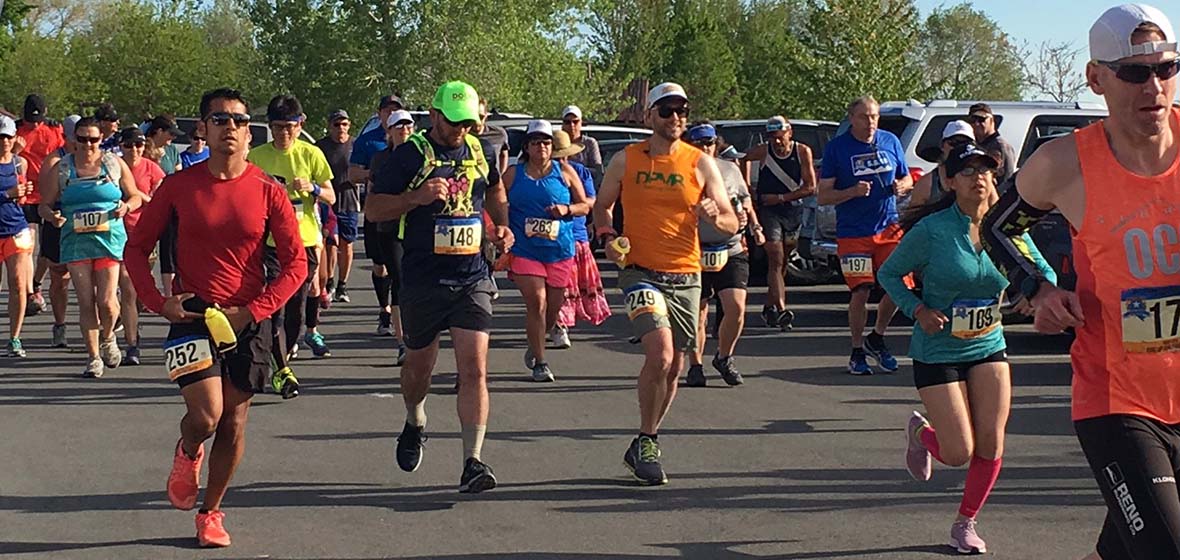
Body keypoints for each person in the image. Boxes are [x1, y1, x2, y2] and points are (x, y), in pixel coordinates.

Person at [979, 5, 1180, 559]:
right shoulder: (1064, 164)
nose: (1154, 87)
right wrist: (1038, 288)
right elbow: (999, 229)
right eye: (1135, 73)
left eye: (1166, 69)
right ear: (1096, 78)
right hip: (1119, 402)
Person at [125, 87, 307, 548]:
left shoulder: (268, 190)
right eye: (220, 119)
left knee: (235, 423)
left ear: (250, 133)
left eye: (240, 121)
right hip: (193, 314)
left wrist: (255, 311)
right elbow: (137, 248)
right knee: (207, 416)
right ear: (202, 129)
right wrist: (156, 301)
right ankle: (188, 450)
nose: (231, 128)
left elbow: (296, 264)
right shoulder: (179, 186)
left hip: (247, 319)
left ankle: (211, 512)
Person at [881, 143, 1056, 555]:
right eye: (968, 171)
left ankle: (965, 522)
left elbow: (1043, 271)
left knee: (992, 443)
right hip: (937, 349)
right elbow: (889, 273)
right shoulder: (933, 230)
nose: (979, 177)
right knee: (959, 452)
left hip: (988, 343)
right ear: (950, 181)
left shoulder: (1006, 230)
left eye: (986, 170)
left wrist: (1034, 294)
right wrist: (917, 308)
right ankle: (922, 435)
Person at [366, 80, 511, 493]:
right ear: (433, 115)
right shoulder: (410, 154)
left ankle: (473, 461)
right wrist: (415, 198)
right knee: (419, 369)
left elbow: (495, 189)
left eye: (467, 123)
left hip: (472, 277)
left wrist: (501, 226)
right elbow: (374, 208)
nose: (460, 131)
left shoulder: (480, 150)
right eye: (453, 123)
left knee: (475, 368)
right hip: (424, 278)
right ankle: (415, 420)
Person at [592, 82, 739, 485]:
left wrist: (714, 214)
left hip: (686, 274)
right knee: (659, 353)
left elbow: (731, 221)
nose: (676, 117)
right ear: (649, 116)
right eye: (667, 110)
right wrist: (607, 238)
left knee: (674, 366)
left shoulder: (700, 163)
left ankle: (646, 438)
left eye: (682, 110)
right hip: (639, 270)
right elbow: (602, 207)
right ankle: (646, 438)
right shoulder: (626, 160)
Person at [817, 96, 914, 375]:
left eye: (874, 116)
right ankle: (857, 350)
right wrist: (851, 192)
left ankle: (877, 337)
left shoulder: (890, 141)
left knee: (900, 287)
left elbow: (907, 178)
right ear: (851, 118)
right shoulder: (837, 149)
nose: (871, 122)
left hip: (889, 227)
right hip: (853, 233)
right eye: (864, 117)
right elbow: (823, 195)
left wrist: (901, 186)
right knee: (861, 291)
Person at [39, 117, 142, 378]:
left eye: (93, 139)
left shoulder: (113, 163)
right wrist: (53, 217)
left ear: (101, 140)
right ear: (74, 140)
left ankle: (108, 337)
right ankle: (93, 357)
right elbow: (44, 204)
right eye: (82, 139)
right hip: (76, 240)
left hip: (108, 239)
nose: (88, 145)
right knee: (86, 301)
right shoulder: (62, 168)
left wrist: (125, 207)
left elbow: (136, 195)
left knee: (107, 302)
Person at [247, 94, 336, 374]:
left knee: (295, 310)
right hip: (270, 243)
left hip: (304, 241)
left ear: (300, 125)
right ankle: (279, 364)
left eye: (290, 127)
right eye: (277, 127)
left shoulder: (311, 154)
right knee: (275, 306)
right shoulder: (256, 157)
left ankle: (290, 343)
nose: (284, 133)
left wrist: (313, 189)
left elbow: (332, 197)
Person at [504, 120, 589, 382]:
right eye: (536, 142)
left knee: (552, 309)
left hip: (559, 250)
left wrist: (568, 210)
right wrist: (500, 228)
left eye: (546, 142)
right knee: (537, 303)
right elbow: (495, 201)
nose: (542, 146)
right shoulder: (513, 174)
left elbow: (585, 205)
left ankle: (538, 340)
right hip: (525, 250)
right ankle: (541, 362)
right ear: (527, 147)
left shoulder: (564, 172)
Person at [683, 122, 764, 387]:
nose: (705, 147)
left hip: (730, 247)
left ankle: (724, 356)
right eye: (699, 143)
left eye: (709, 142)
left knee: (736, 307)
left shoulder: (730, 169)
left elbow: (744, 198)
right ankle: (695, 364)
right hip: (695, 250)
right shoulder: (681, 172)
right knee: (699, 312)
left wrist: (749, 221)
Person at [742, 115, 816, 331]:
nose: (776, 141)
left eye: (780, 136)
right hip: (768, 210)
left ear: (789, 132)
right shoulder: (763, 151)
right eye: (772, 137)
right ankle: (782, 309)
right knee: (775, 258)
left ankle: (770, 306)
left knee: (784, 262)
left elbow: (810, 187)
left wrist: (782, 198)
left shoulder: (802, 151)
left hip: (792, 209)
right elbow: (744, 158)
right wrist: (748, 188)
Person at [551, 129, 610, 345]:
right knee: (560, 285)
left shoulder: (579, 172)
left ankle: (560, 322)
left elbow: (591, 201)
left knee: (573, 284)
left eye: (563, 155)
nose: (561, 159)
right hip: (548, 237)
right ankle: (559, 325)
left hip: (576, 235)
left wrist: (569, 208)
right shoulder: (539, 173)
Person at [366, 109, 415, 363]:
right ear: (390, 131)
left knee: (417, 281)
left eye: (408, 126)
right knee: (400, 279)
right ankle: (402, 341)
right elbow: (374, 195)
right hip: (389, 227)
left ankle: (417, 335)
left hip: (417, 227)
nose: (404, 131)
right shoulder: (381, 159)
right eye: (399, 127)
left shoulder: (422, 156)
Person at [117, 127, 166, 366]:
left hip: (144, 234)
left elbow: (161, 199)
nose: (134, 150)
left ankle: (130, 322)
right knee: (127, 289)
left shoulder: (151, 168)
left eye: (138, 145)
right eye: (129, 145)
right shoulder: (113, 165)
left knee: (137, 291)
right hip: (116, 233)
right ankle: (132, 344)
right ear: (121, 146)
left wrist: (142, 198)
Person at [14, 94, 64, 318]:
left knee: (47, 252)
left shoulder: (54, 130)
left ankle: (36, 282)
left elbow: (65, 154)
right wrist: (15, 150)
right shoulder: (15, 131)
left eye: (37, 120)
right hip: (27, 196)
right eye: (29, 120)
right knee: (29, 245)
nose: (33, 124)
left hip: (51, 194)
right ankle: (30, 294)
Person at [35, 115, 80, 349]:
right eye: (74, 139)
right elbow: (45, 198)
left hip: (86, 224)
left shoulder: (95, 159)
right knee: (60, 279)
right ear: (65, 138)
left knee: (94, 277)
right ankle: (60, 325)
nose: (79, 144)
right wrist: (54, 216)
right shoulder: (54, 162)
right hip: (60, 222)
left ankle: (99, 328)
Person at [0, 115, 34, 357]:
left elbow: (20, 196)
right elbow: (9, 193)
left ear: (14, 138)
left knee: (18, 284)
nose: (4, 142)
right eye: (0, 137)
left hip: (16, 228)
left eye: (8, 137)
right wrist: (7, 194)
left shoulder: (19, 163)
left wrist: (22, 193)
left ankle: (15, 337)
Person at [315, 110, 357, 303]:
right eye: (337, 124)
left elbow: (364, 169)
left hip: (349, 200)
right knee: (330, 242)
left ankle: (343, 285)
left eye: (344, 124)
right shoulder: (321, 147)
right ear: (329, 126)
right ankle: (329, 281)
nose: (341, 128)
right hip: (326, 202)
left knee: (346, 244)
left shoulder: (354, 145)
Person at [910, 121, 975, 207]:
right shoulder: (928, 183)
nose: (958, 148)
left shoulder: (981, 176)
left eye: (965, 144)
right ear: (942, 145)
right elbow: (912, 216)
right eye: (953, 143)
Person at [966, 103, 1018, 185]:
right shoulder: (971, 146)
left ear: (992, 120)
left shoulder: (1001, 146)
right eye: (972, 120)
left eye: (981, 119)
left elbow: (1007, 180)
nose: (976, 124)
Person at [561, 105, 602, 173]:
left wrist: (576, 169)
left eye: (575, 121)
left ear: (581, 123)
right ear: (563, 124)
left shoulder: (589, 143)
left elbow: (597, 170)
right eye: (567, 122)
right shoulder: (559, 143)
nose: (572, 125)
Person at [475, 98, 510, 174]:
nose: (477, 121)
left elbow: (504, 155)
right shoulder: (461, 135)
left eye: (481, 117)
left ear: (486, 116)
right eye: (474, 116)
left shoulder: (499, 134)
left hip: (492, 182)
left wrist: (501, 175)